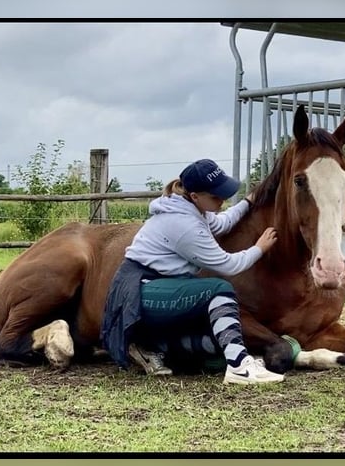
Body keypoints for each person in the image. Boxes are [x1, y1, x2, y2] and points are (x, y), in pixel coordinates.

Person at [100, 158, 283, 385]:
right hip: (141, 291)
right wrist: (259, 248)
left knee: (217, 336)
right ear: (195, 196)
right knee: (219, 289)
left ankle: (148, 346)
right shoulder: (185, 225)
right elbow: (228, 265)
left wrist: (248, 200)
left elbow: (223, 222)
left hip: (152, 287)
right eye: (216, 196)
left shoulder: (192, 210)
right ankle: (239, 367)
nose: (222, 199)